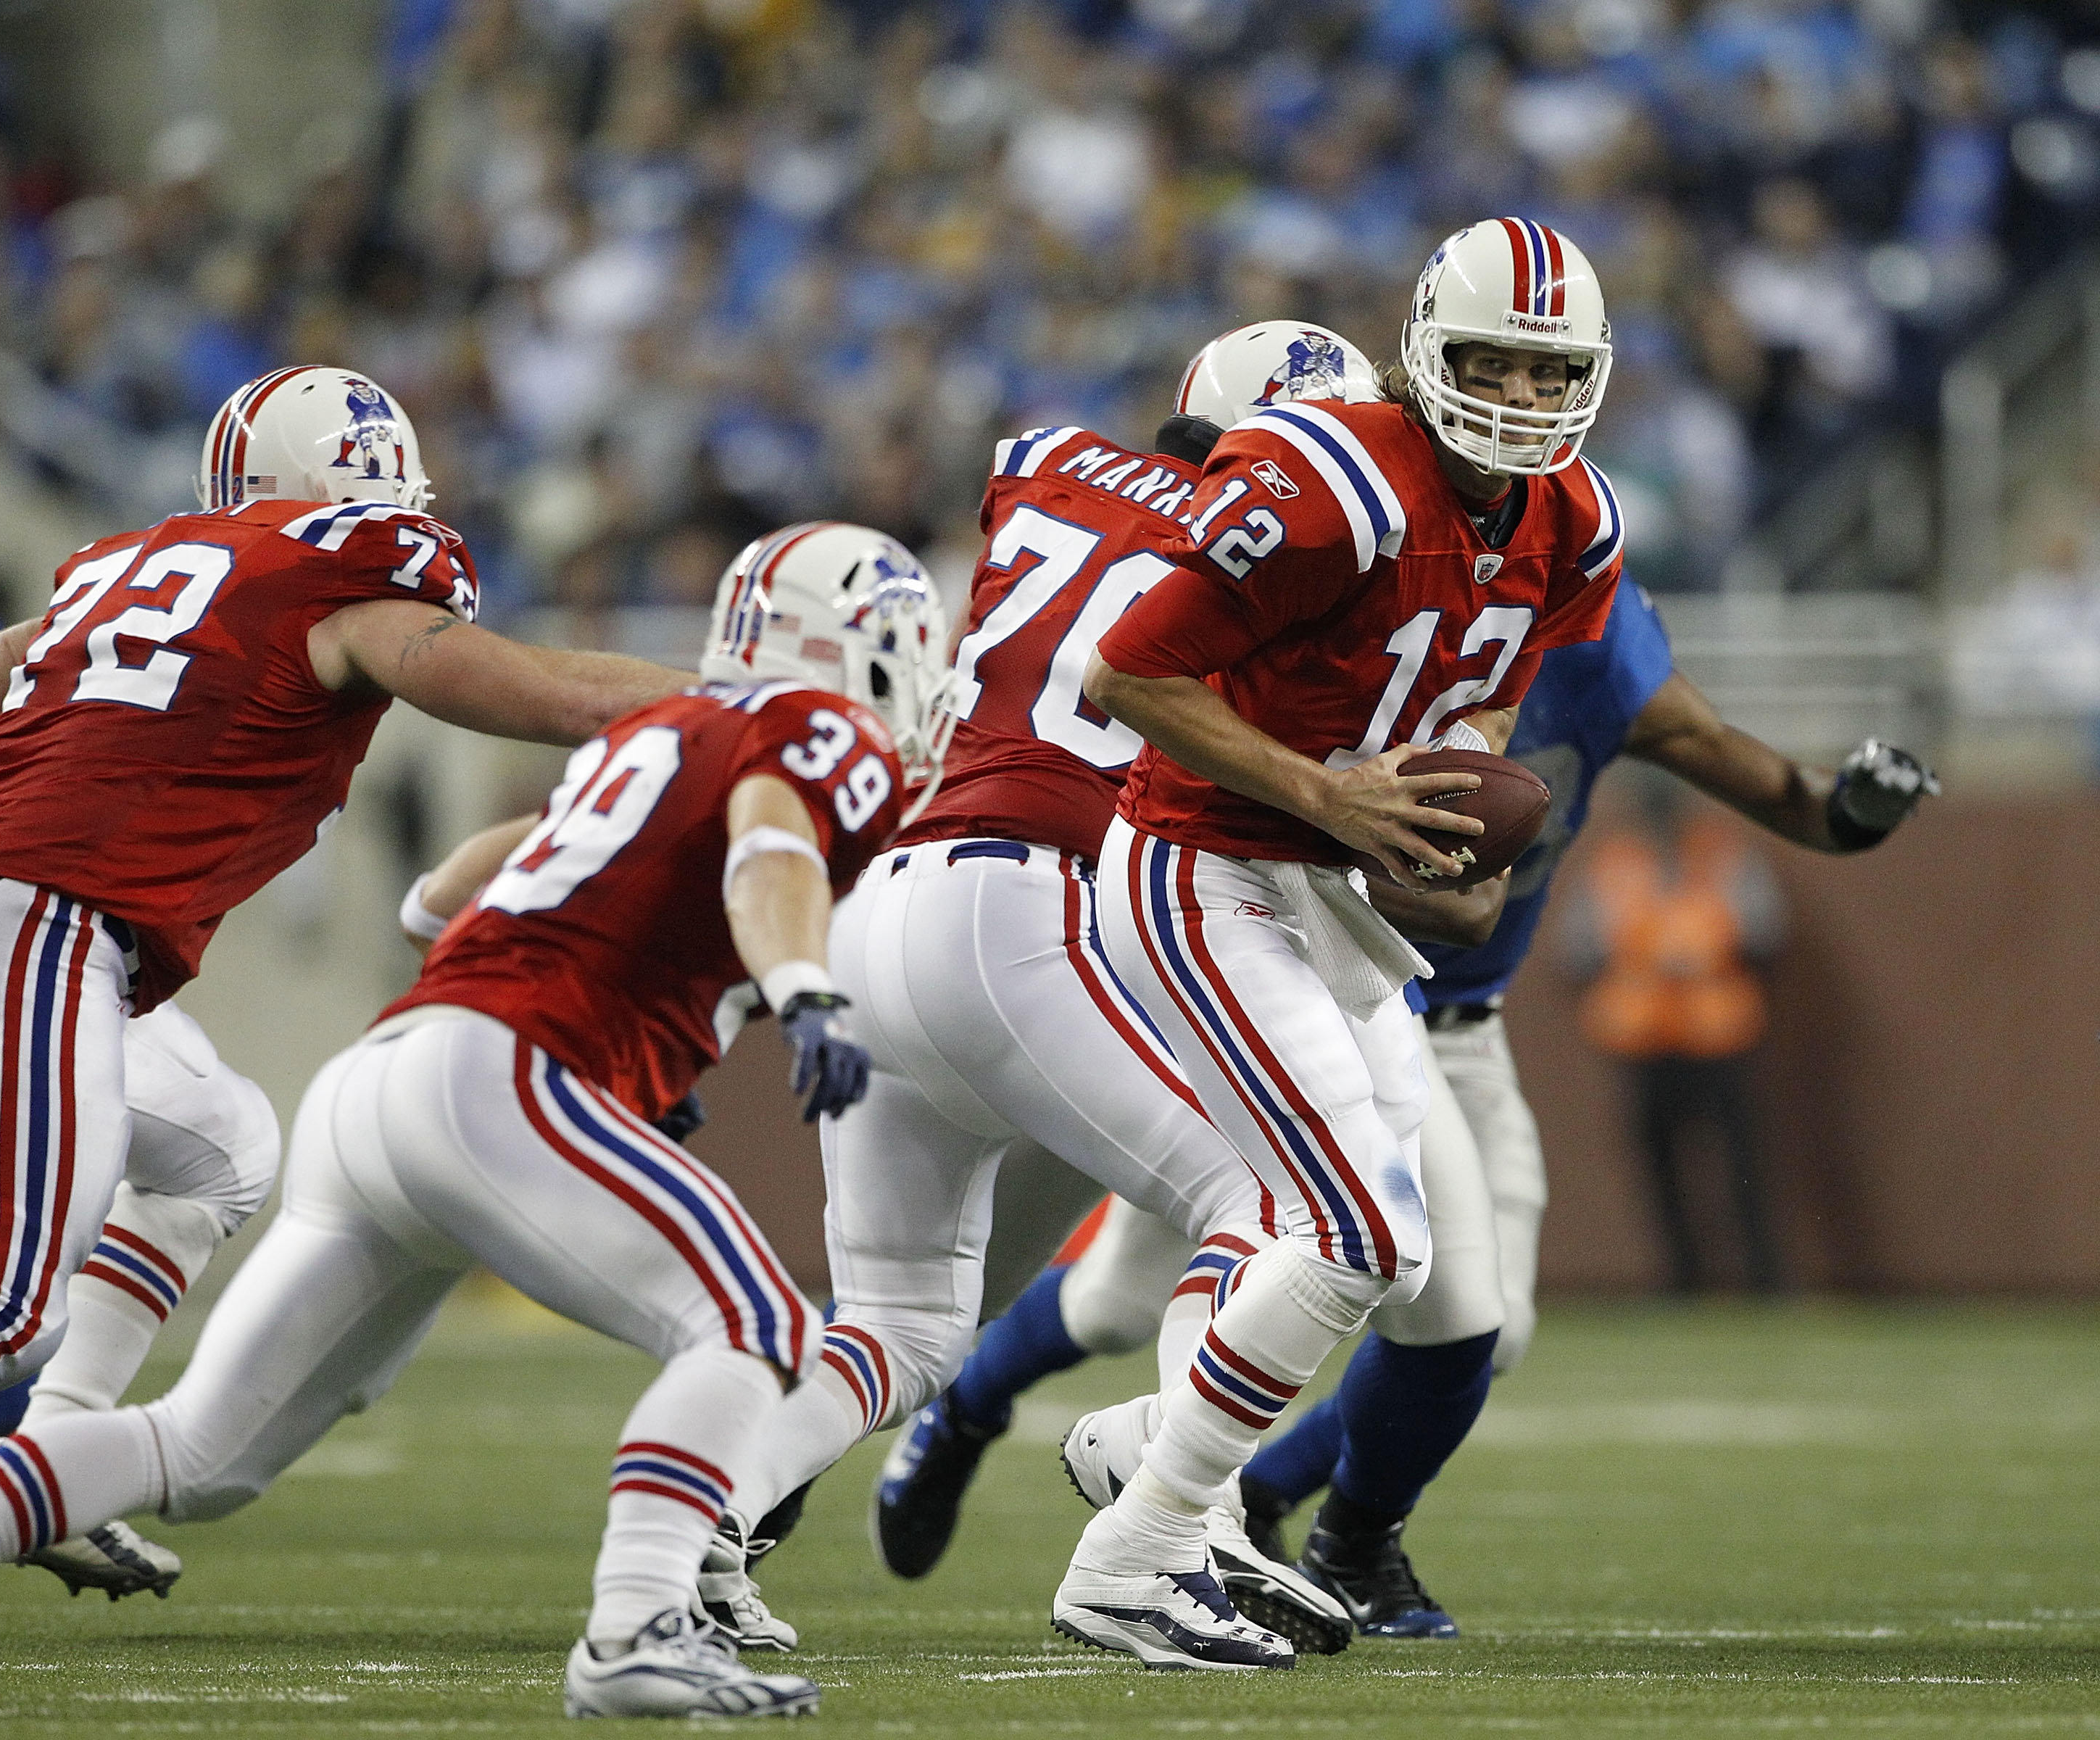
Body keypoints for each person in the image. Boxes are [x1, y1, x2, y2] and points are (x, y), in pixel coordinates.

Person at [0, 521, 950, 1721]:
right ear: (864, 651)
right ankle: (637, 1625)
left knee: (197, 1452)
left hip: (382, 1084)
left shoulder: (668, 735)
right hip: (493, 1078)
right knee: (753, 1318)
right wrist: (802, 992)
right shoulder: (813, 733)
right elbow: (771, 836)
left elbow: (451, 890)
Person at [900, 576, 1938, 1641]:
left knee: (1474, 1325)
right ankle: (1009, 1433)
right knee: (1173, 1287)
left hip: (1445, 1019)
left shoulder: (1598, 643)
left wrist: (1856, 807)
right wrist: (1335, 821)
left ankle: (1285, 1510)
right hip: (1278, 981)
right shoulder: (1359, 594)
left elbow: (1769, 797)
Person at [686, 328, 1416, 1661]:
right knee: (1275, 1204)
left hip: (887, 899)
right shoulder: (1288, 558)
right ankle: (1178, 1522)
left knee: (902, 1323)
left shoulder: (1044, 466)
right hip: (1034, 906)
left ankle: (699, 1530)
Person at [0, 366, 698, 1590]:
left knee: (223, 1146)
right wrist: (744, 708)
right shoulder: (338, 587)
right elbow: (557, 697)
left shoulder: (113, 571)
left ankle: (53, 1463)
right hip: (35, 921)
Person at [1055, 218, 1628, 1670]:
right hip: (1202, 863)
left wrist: (1451, 844)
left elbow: (1475, 719)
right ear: (1427, 346)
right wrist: (1329, 795)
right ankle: (1136, 1555)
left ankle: (1150, 1458)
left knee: (1405, 1244)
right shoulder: (1333, 478)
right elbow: (1121, 670)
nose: (1520, 390)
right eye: (1494, 355)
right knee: (1355, 1230)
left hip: (1332, 897)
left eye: (1550, 366)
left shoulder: (1576, 526)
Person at [1571, 777, 1787, 1292]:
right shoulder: (1615, 861)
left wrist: (1695, 955)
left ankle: (1765, 1278)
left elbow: (1766, 931)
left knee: (1741, 1161)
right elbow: (1578, 949)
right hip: (1642, 1037)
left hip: (1717, 1033)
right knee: (1659, 1165)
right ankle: (1682, 1278)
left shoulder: (1722, 854)